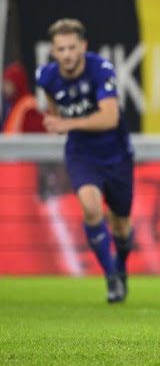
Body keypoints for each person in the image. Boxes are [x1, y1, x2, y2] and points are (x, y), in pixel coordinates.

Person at [36, 18, 135, 303]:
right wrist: (57, 122)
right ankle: (110, 277)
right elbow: (54, 110)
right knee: (91, 208)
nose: (66, 54)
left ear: (83, 47)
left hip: (116, 154)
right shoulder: (46, 77)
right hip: (81, 154)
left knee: (122, 227)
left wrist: (67, 125)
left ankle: (121, 266)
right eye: (60, 49)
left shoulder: (100, 69)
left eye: (71, 48)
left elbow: (109, 117)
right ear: (53, 51)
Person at [2, 61, 45, 133]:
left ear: (16, 83)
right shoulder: (13, 103)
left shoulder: (28, 105)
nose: (4, 88)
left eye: (7, 83)